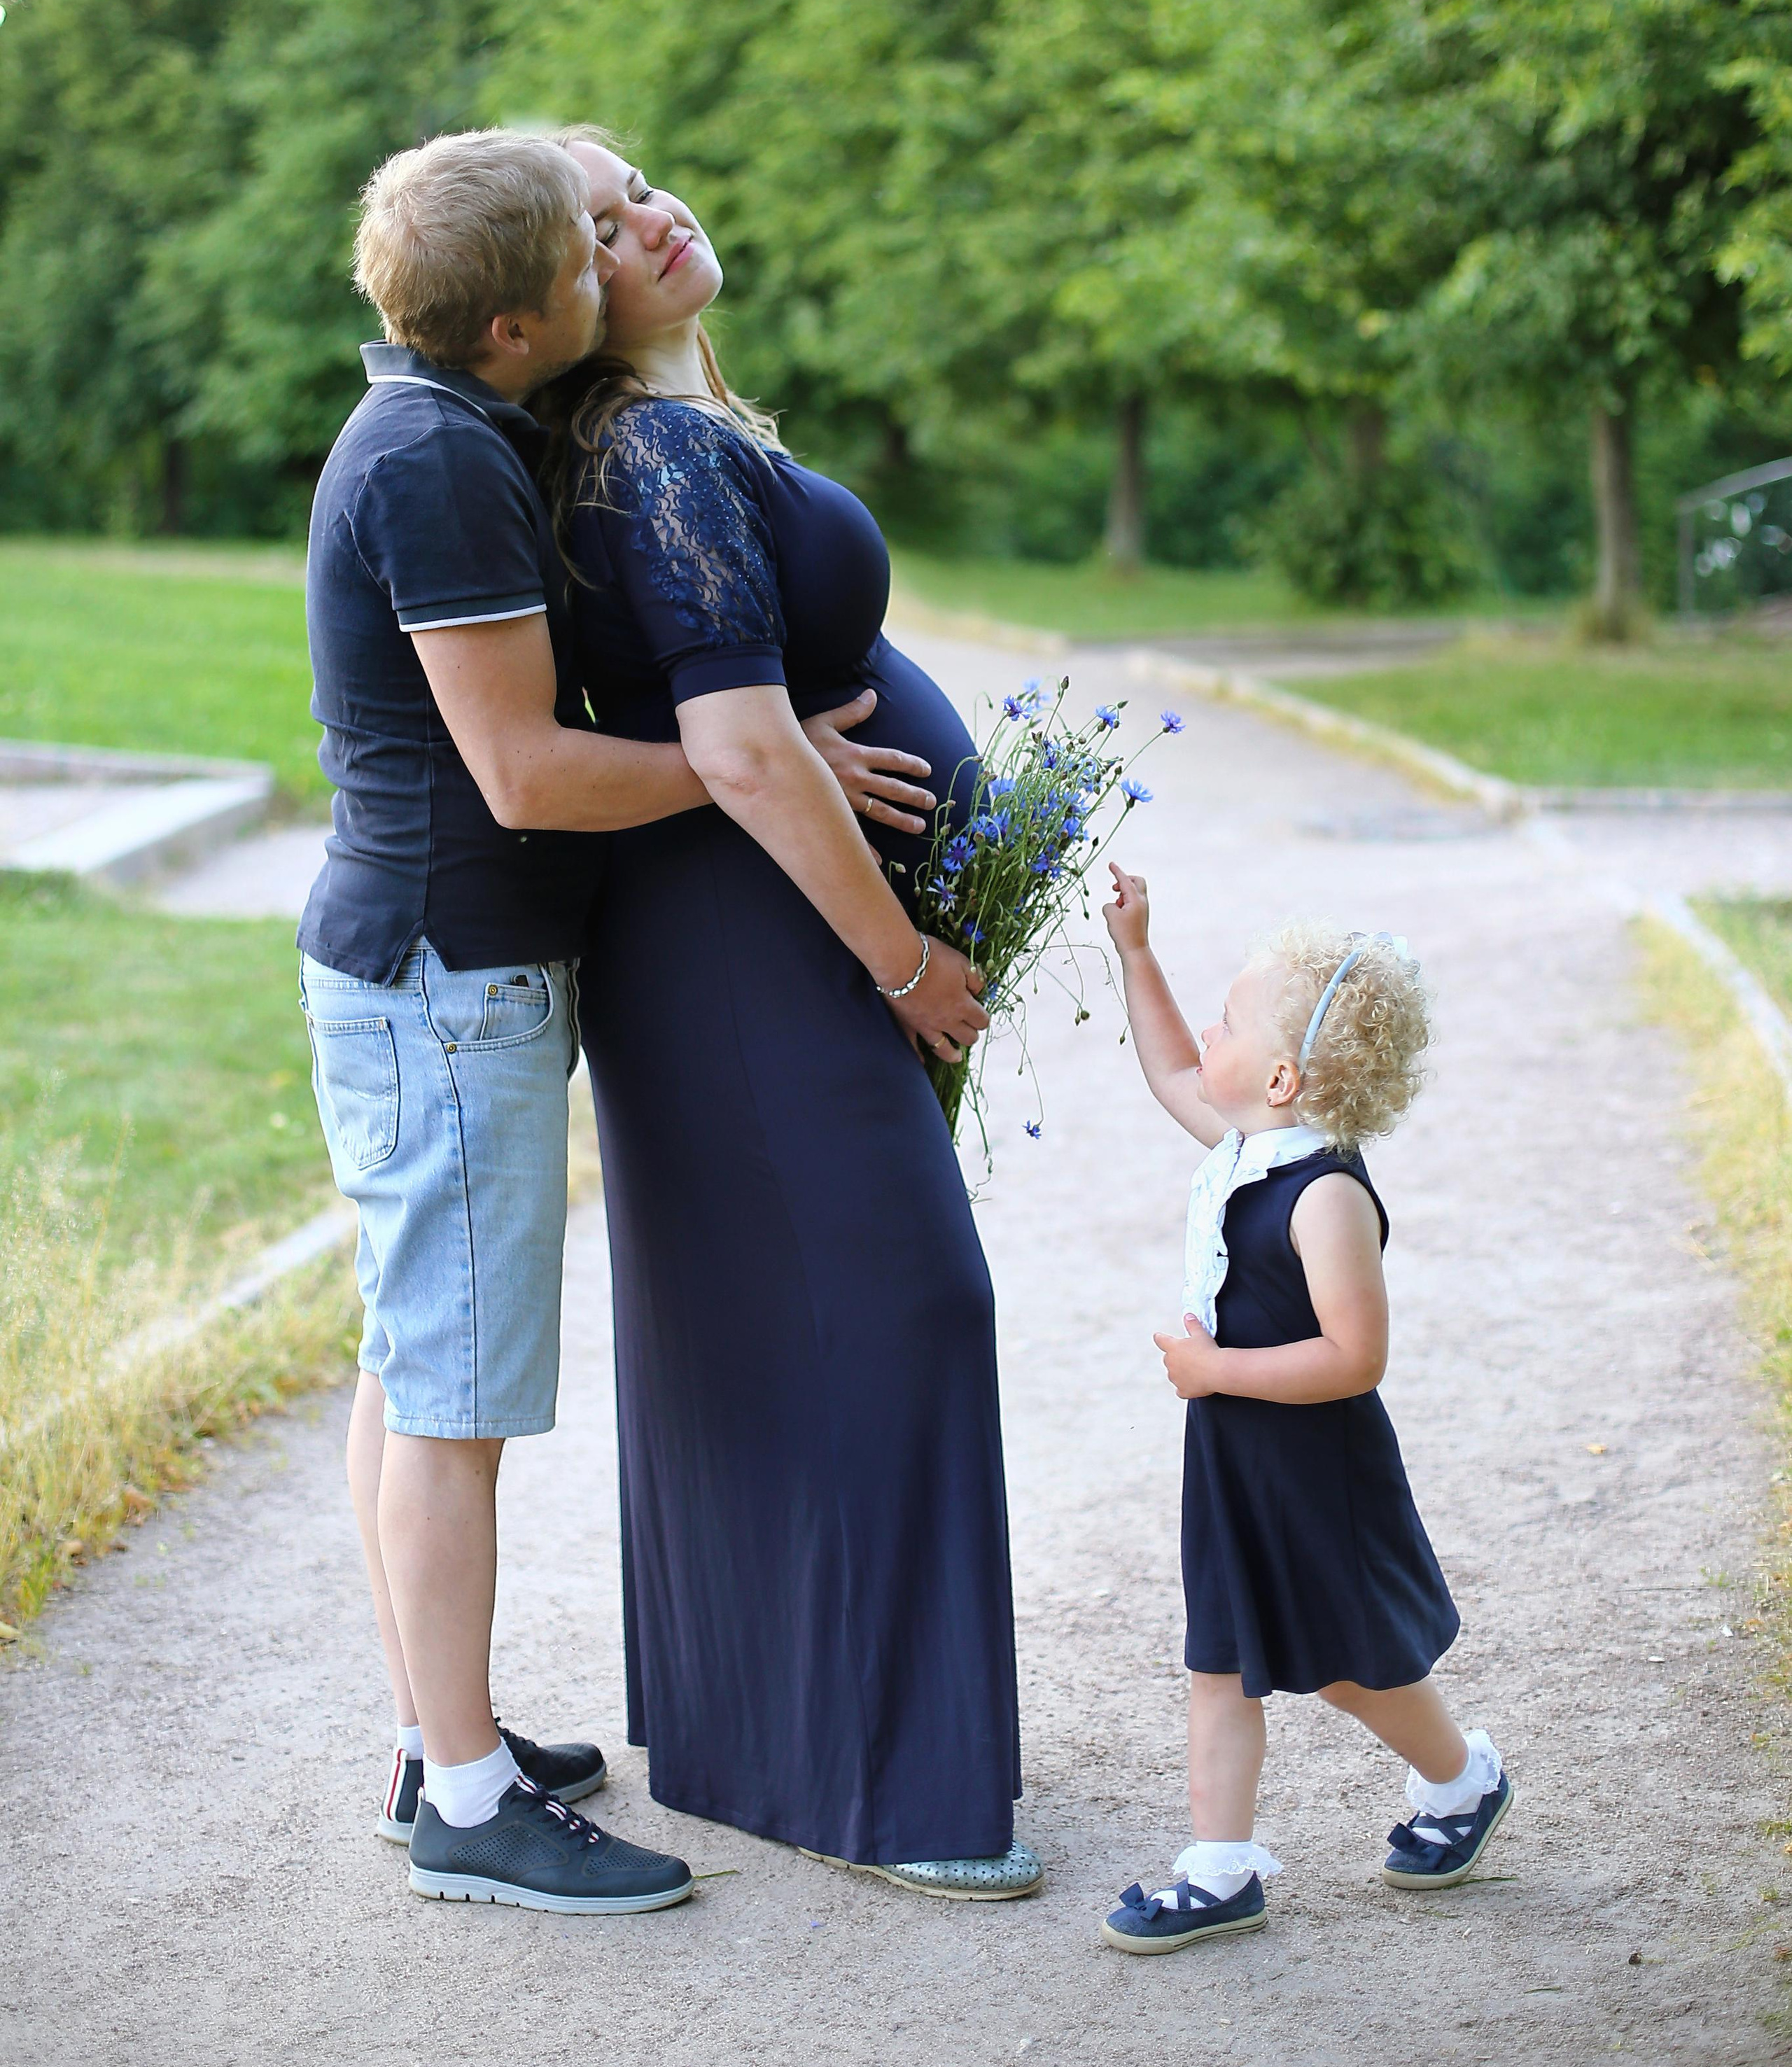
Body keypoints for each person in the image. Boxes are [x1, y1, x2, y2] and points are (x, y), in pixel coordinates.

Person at [302, 128, 927, 1914]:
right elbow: (520, 773)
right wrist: (763, 760)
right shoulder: (436, 463)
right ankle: (470, 1806)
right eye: (584, 253)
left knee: (412, 1364)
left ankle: (442, 1734)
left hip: (439, 969)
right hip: (448, 972)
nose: (616, 256)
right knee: (452, 1396)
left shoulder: (450, 420)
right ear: (516, 325)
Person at [533, 128, 1039, 1894]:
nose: (648, 217)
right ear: (548, 293)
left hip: (749, 940)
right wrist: (906, 967)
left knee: (769, 1325)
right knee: (902, 1301)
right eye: (597, 226)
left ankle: (769, 1735)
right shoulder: (650, 455)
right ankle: (888, 1787)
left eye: (643, 184)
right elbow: (747, 749)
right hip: (746, 954)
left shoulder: (693, 423)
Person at [1095, 876, 1511, 1952]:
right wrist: (1139, 952)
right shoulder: (1244, 1145)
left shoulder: (1324, 1194)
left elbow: (1355, 1357)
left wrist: (1215, 1372)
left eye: (1232, 1020)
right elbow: (1173, 1069)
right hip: (1232, 1453)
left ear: (1282, 1076)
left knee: (1341, 1662)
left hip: (1305, 1459)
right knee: (1221, 1656)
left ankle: (1462, 1779)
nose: (1211, 1034)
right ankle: (1219, 1867)